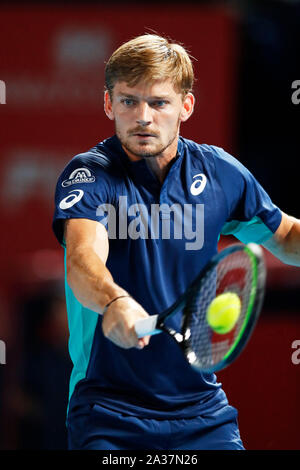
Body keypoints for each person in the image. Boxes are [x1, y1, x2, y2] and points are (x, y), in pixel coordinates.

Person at [52, 34, 300, 450]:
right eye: (129, 101)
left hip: (203, 412)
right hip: (109, 412)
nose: (143, 117)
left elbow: (288, 236)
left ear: (185, 106)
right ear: (109, 104)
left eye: (159, 102)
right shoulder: (90, 175)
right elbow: (82, 258)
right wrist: (115, 301)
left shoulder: (221, 173)